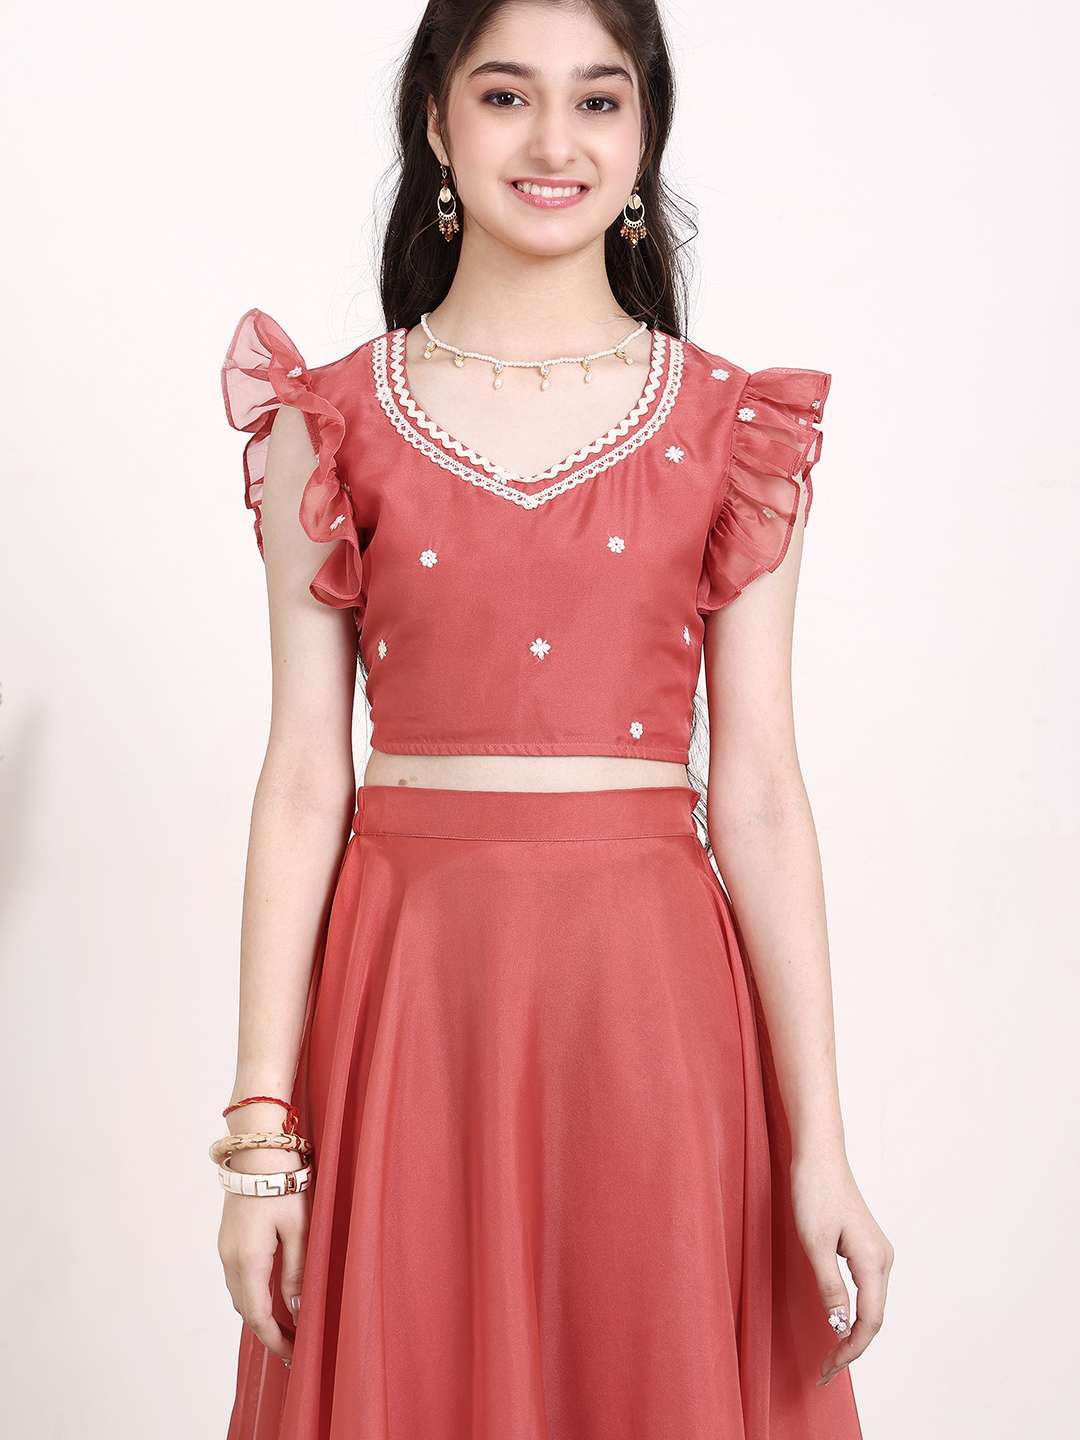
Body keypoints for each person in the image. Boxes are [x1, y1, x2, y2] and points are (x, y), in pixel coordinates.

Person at [213, 1, 893, 1435]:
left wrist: (821, 1145)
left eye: (598, 100)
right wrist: (263, 1139)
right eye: (506, 94)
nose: (554, 140)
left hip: (650, 1013)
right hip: (412, 1005)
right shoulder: (325, 422)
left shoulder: (732, 429)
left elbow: (761, 794)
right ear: (436, 122)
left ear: (644, 137)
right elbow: (304, 780)